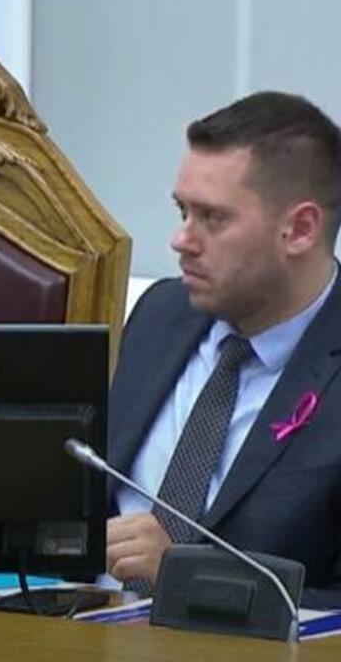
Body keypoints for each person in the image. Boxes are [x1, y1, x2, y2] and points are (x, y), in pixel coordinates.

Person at [106, 91, 341, 608]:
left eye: (212, 218)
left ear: (300, 229)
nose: (180, 240)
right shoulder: (159, 314)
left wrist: (192, 578)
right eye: (182, 211)